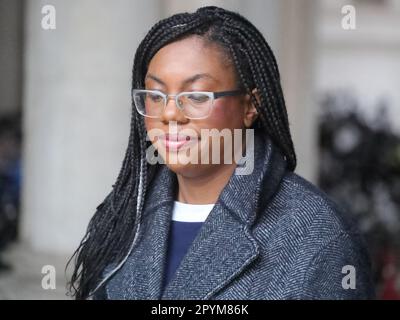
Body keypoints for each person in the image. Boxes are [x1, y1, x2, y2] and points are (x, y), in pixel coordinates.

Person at [67, 6, 375, 300]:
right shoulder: (123, 218)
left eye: (197, 96)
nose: (170, 114)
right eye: (156, 95)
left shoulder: (318, 236)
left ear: (250, 105)